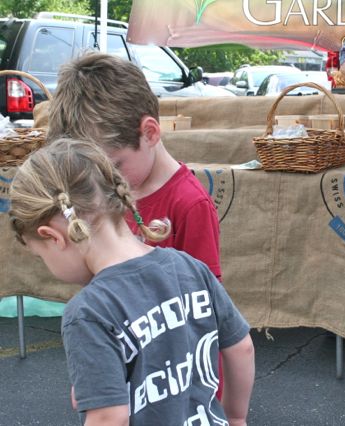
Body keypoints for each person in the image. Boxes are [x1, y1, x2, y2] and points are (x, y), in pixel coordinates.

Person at [9, 138, 254, 426]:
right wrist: (236, 417)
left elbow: (108, 417)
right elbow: (241, 348)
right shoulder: (189, 267)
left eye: (41, 257)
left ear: (53, 236)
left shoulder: (89, 312)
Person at [47, 52, 228, 399]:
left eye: (113, 166)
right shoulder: (105, 194)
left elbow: (207, 315)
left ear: (149, 133)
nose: (100, 183)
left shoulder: (189, 205)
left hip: (178, 386)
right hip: (126, 377)